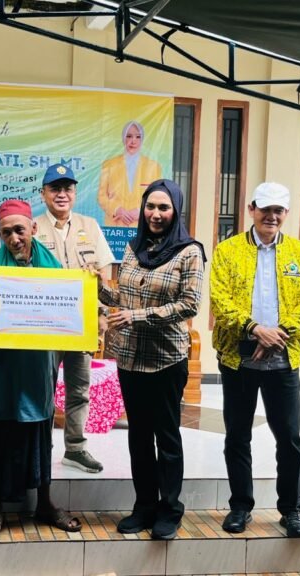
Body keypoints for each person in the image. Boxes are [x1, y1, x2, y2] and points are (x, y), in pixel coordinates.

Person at [0, 200, 82, 540]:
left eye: (20, 230)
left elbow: (71, 308)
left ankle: (44, 502)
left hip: (37, 368)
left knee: (40, 435)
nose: (14, 239)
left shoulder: (55, 270)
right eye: (6, 233)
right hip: (1, 369)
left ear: (33, 228)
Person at [97, 179, 205, 540]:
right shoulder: (134, 247)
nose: (155, 214)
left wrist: (137, 317)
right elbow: (123, 298)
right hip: (129, 359)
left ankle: (170, 509)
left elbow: (189, 305)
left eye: (163, 207)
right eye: (150, 207)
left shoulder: (189, 252)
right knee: (139, 437)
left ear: (176, 210)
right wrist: (97, 287)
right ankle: (144, 505)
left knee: (167, 436)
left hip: (166, 360)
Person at [210, 182, 300, 538]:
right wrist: (255, 329)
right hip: (238, 358)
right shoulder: (227, 251)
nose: (271, 216)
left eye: (278, 211)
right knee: (237, 435)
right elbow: (220, 301)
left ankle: (291, 510)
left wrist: (277, 335)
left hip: (283, 359)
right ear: (251, 209)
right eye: (265, 209)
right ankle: (240, 507)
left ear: (286, 214)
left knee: (289, 438)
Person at [33, 162, 115, 473]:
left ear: (75, 193)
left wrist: (103, 313)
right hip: (45, 325)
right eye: (55, 188)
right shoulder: (33, 228)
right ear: (43, 193)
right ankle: (41, 447)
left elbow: (104, 275)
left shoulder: (89, 226)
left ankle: (76, 448)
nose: (62, 194)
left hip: (82, 324)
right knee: (43, 389)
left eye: (67, 188)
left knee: (79, 389)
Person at [98, 120, 162, 227]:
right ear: (123, 138)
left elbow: (157, 196)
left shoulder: (154, 167)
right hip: (115, 227)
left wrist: (141, 210)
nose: (133, 141)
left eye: (138, 137)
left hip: (143, 225)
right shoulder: (109, 165)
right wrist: (117, 209)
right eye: (129, 136)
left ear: (142, 139)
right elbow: (101, 196)